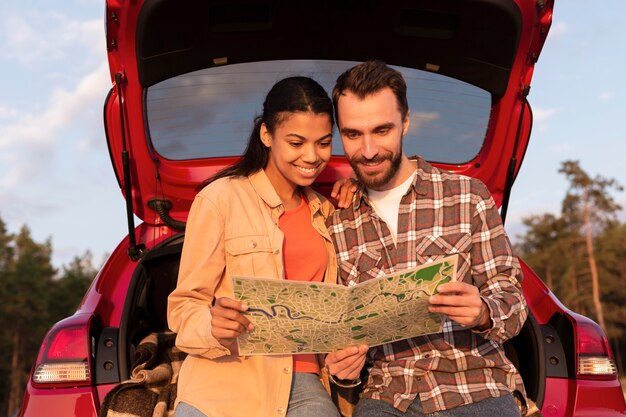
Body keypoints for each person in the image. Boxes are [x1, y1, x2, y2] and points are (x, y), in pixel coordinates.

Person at [326, 60, 528, 417]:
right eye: (353, 134)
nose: (369, 150)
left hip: (474, 384)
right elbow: (335, 330)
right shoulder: (336, 221)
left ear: (405, 121)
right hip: (385, 394)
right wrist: (343, 372)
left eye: (382, 130)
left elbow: (511, 296)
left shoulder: (467, 196)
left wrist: (483, 312)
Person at [167, 76, 366, 417]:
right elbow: (185, 306)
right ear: (266, 135)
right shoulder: (220, 199)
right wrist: (212, 325)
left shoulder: (330, 211)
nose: (312, 156)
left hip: (303, 382)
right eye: (296, 142)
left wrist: (360, 188)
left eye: (322, 143)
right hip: (224, 377)